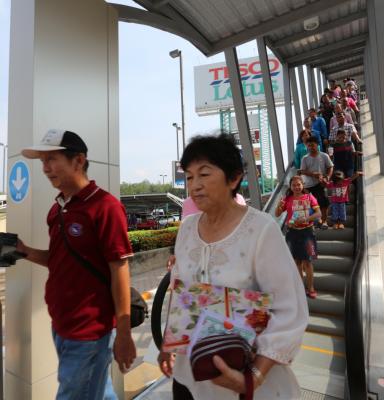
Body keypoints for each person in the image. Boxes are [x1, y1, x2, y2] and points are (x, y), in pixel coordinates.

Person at [158, 134, 308, 400]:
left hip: (243, 383)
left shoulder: (261, 230)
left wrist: (254, 377)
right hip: (189, 378)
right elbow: (180, 292)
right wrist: (168, 345)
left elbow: (289, 310)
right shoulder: (187, 229)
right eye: (189, 177)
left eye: (204, 174)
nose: (195, 185)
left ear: (234, 178)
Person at [18, 129, 136, 399]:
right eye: (43, 162)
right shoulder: (57, 209)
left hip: (89, 330)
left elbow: (119, 269)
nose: (45, 168)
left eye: (52, 159)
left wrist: (124, 333)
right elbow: (59, 260)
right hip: (61, 324)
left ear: (78, 160)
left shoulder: (105, 207)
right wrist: (25, 251)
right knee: (97, 391)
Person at [275, 176, 321, 299]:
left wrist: (306, 218)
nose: (296, 187)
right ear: (290, 187)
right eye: (294, 185)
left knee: (308, 262)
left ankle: (311, 288)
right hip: (292, 234)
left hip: (307, 233)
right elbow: (277, 214)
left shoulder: (309, 197)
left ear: (303, 185)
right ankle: (300, 288)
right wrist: (279, 205)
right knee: (296, 262)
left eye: (298, 184)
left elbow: (319, 214)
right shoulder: (287, 199)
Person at [298, 136, 334, 229]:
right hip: (308, 185)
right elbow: (302, 171)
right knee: (307, 204)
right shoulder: (305, 158)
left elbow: (330, 167)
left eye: (312, 145)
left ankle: (324, 221)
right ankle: (309, 223)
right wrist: (313, 174)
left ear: (317, 145)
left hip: (320, 183)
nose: (311, 147)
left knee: (324, 202)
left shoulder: (324, 156)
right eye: (309, 146)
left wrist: (327, 177)